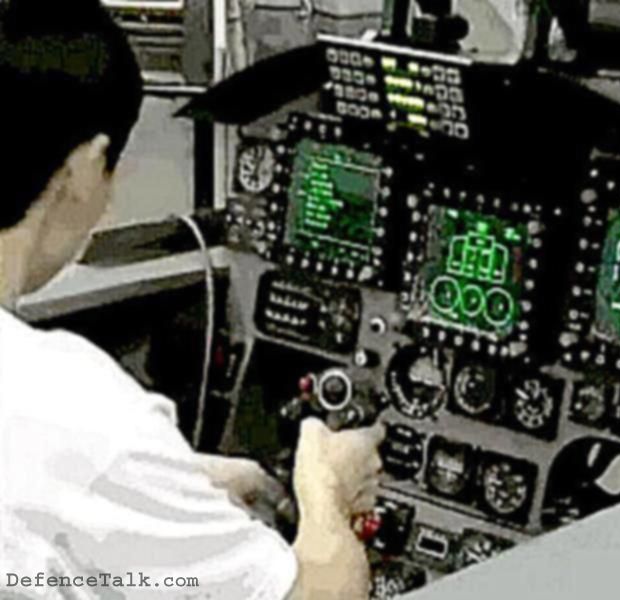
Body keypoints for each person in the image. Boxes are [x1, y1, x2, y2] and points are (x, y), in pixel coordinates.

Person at [0, 1, 383, 599]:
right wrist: (324, 491)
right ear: (83, 169)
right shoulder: (80, 411)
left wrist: (176, 482)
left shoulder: (76, 432)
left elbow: (51, 481)